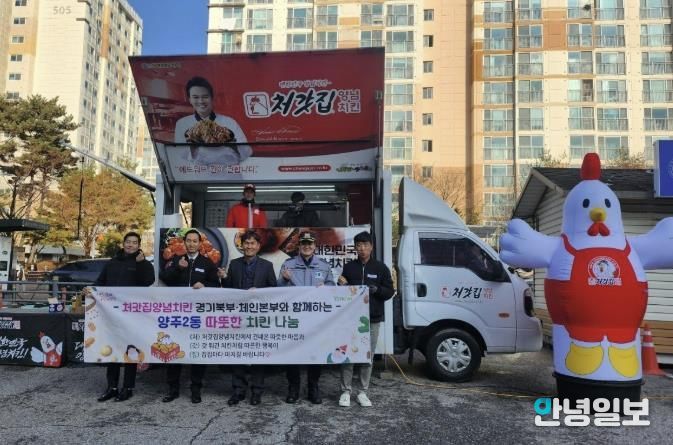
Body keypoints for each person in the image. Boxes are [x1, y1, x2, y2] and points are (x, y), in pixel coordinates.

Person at [159, 229, 226, 404]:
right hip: (178, 315)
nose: (191, 244)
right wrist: (177, 268)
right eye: (188, 240)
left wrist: (204, 285)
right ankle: (173, 390)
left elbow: (215, 284)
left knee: (197, 352)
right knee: (174, 351)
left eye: (195, 241)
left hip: (198, 316)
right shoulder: (175, 259)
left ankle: (196, 389)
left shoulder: (207, 262)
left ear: (200, 243)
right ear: (184, 242)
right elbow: (165, 278)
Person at [95, 231, 155, 402]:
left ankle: (128, 388)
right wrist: (90, 290)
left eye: (134, 242)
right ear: (123, 243)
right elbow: (100, 282)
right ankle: (112, 387)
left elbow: (148, 281)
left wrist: (141, 264)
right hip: (112, 313)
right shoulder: (112, 263)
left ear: (139, 245)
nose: (131, 245)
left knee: (131, 350)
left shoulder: (143, 263)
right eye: (128, 241)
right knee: (113, 349)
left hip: (132, 315)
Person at [337, 231, 394, 408]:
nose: (362, 248)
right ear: (355, 248)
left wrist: (378, 290)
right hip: (350, 319)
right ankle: (345, 391)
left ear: (371, 247)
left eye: (365, 245)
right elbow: (343, 293)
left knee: (367, 356)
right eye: (358, 245)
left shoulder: (381, 268)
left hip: (372, 318)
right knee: (348, 355)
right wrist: (341, 284)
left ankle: (363, 392)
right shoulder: (349, 267)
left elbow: (390, 291)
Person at [278, 231, 335, 405]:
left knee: (315, 353)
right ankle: (293, 388)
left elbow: (333, 288)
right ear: (299, 246)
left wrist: (326, 287)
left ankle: (313, 388)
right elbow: (277, 290)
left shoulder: (324, 266)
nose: (307, 246)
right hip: (294, 318)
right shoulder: (288, 265)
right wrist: (284, 280)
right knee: (292, 353)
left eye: (310, 243)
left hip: (316, 319)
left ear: (315, 246)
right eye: (304, 243)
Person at [222, 230, 277, 406]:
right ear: (242, 245)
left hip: (258, 318)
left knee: (258, 355)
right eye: (246, 243)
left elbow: (274, 291)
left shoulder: (267, 266)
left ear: (258, 246)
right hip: (238, 317)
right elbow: (228, 290)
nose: (249, 246)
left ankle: (256, 391)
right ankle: (238, 390)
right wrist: (224, 278)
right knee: (238, 354)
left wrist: (259, 293)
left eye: (253, 243)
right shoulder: (234, 264)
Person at [174, 76, 252, 164]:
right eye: (195, 97)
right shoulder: (182, 124)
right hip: (198, 171)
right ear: (190, 100)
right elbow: (179, 155)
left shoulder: (229, 122)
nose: (201, 101)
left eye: (205, 96)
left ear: (212, 98)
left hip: (228, 170)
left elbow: (247, 152)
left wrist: (235, 147)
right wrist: (192, 149)